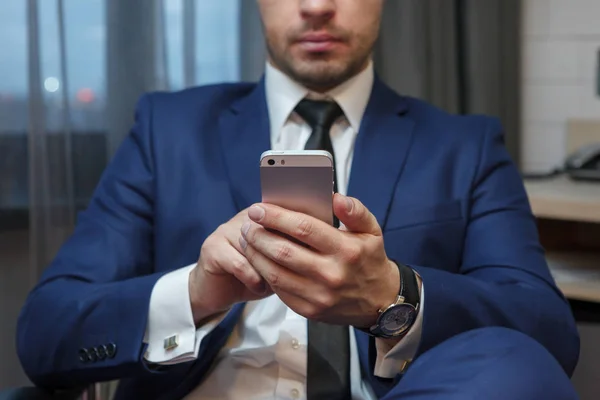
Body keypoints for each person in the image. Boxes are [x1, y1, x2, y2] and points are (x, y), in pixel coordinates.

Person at [17, 0, 579, 399]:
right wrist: (195, 293)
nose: (316, 5)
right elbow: (46, 332)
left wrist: (393, 294)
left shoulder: (465, 143)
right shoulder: (168, 129)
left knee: (519, 366)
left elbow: (549, 333)